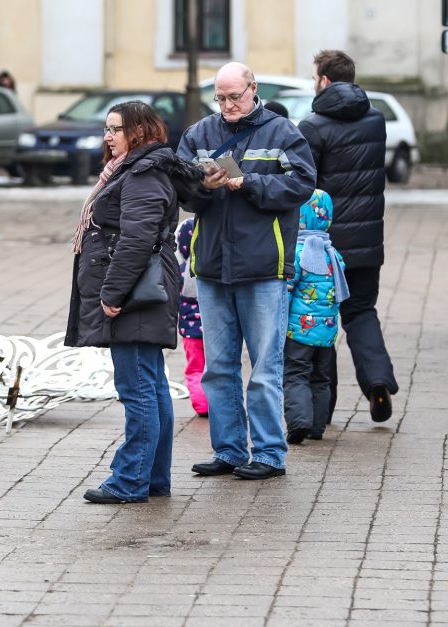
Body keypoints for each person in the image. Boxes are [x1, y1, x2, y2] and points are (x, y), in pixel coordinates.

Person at [176, 62, 316, 480]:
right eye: (220, 98)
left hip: (264, 269)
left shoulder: (283, 132)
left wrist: (248, 183)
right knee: (218, 368)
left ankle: (270, 454)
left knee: (264, 369)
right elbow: (181, 190)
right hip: (214, 268)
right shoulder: (199, 134)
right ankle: (230, 450)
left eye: (234, 96)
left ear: (253, 89)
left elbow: (302, 185)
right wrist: (204, 187)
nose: (228, 105)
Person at [65, 100, 200, 504]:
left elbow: (137, 239)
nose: (108, 136)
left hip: (137, 292)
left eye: (115, 129)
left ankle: (130, 480)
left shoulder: (141, 174)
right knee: (151, 385)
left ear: (138, 132)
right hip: (143, 288)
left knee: (138, 387)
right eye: (106, 129)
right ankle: (153, 478)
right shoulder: (136, 168)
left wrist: (112, 293)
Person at [297, 50, 398, 422]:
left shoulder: (312, 126)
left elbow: (306, 188)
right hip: (369, 242)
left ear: (323, 80)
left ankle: (322, 410)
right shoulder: (376, 120)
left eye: (313, 78)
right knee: (360, 312)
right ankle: (378, 383)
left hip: (324, 247)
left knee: (320, 322)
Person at [284, 189, 348, 443]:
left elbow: (287, 290)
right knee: (321, 377)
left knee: (296, 374)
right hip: (327, 330)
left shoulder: (297, 252)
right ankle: (317, 426)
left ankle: (299, 422)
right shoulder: (333, 254)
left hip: (298, 331)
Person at [175, 217, 208, 417]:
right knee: (218, 367)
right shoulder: (218, 270)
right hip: (216, 329)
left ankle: (202, 406)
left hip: (190, 332)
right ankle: (220, 403)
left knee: (195, 368)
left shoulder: (180, 271)